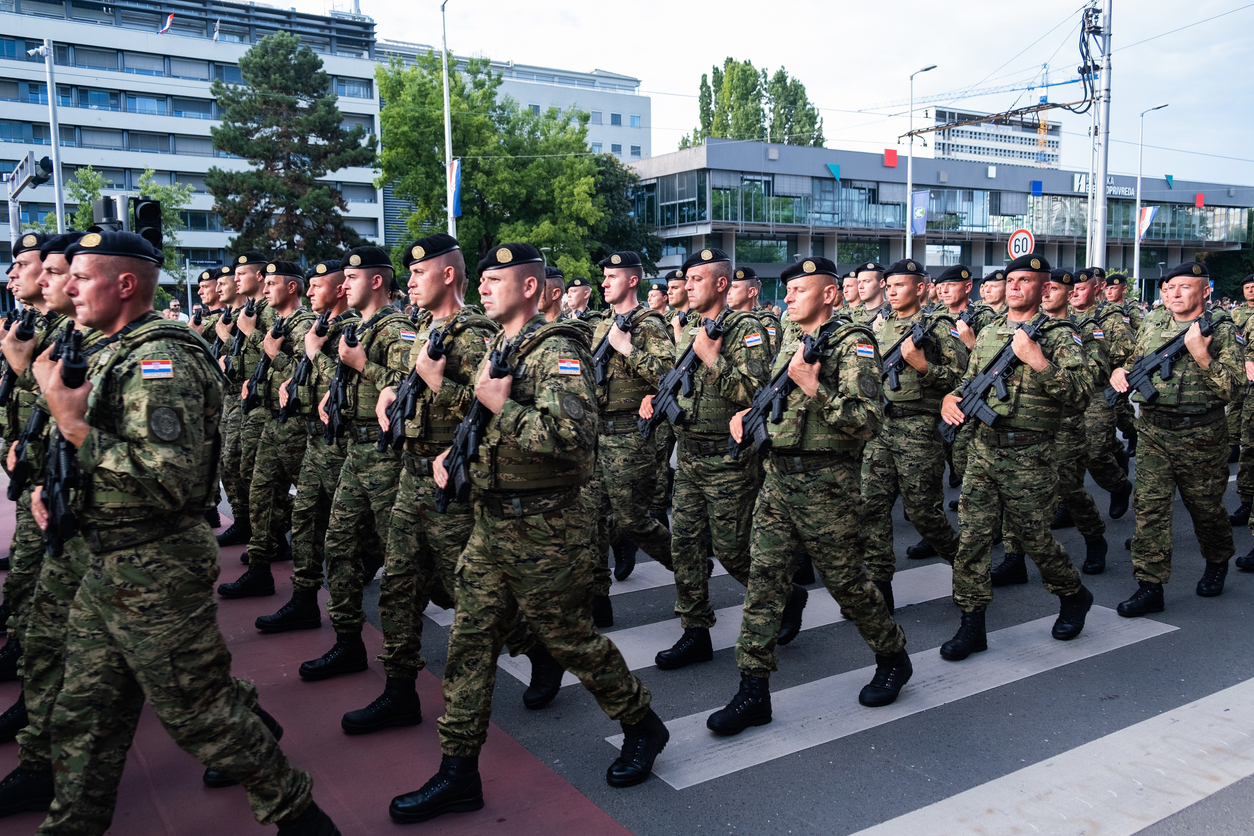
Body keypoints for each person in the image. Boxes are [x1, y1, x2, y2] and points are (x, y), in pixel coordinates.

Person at [26, 231, 339, 835]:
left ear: (124, 284)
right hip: (107, 561)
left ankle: (300, 817)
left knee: (201, 716)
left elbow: (167, 478)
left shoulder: (157, 361)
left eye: (81, 277)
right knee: (82, 716)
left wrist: (74, 429)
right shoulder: (111, 349)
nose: (67, 286)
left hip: (156, 565)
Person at [391, 242, 669, 824]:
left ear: (533, 289)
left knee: (569, 639)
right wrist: (455, 451)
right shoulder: (502, 344)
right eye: (484, 279)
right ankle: (458, 772)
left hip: (546, 526)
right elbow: (486, 420)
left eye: (498, 280)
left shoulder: (559, 351)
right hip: (494, 522)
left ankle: (642, 724)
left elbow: (572, 438)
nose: (485, 288)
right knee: (469, 641)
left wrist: (500, 405)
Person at [354, 234, 551, 731]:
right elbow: (414, 381)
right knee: (399, 586)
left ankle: (540, 650)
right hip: (411, 476)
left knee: (470, 597)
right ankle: (399, 690)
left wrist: (437, 383)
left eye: (419, 273)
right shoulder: (425, 328)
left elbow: (487, 406)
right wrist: (389, 391)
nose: (411, 282)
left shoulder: (474, 334)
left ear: (446, 275)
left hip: (453, 484)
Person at [709, 256, 911, 735]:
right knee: (764, 583)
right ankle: (752, 690)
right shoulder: (790, 342)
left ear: (830, 294)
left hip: (828, 484)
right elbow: (775, 400)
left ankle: (893, 655)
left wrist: (814, 387)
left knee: (847, 584)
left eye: (801, 289)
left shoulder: (854, 344)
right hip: (779, 479)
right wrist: (747, 415)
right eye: (789, 290)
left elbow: (867, 420)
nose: (791, 297)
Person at [939, 254, 1094, 660]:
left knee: (1035, 539)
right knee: (971, 541)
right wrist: (949, 399)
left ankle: (1073, 595)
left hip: (1031, 455)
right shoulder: (989, 331)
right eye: (1011, 279)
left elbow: (1080, 395)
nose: (1014, 285)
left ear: (1044, 289)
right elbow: (968, 382)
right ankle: (972, 625)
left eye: (1026, 280)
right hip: (983, 451)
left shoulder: (1060, 335)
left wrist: (1037, 360)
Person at [641, 247, 776, 670]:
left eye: (695, 280)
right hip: (691, 459)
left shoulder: (747, 328)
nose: (685, 286)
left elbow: (758, 396)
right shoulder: (694, 328)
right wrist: (655, 394)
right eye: (685, 280)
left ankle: (786, 596)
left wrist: (713, 357)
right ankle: (695, 630)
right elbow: (683, 383)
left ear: (721, 283)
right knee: (685, 548)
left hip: (728, 459)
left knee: (734, 551)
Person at [300, 247, 412, 681]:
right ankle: (348, 642)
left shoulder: (396, 328)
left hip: (385, 457)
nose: (343, 285)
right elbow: (345, 378)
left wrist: (353, 363)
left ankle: (534, 645)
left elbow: (411, 385)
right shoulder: (357, 326)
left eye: (351, 277)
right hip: (354, 451)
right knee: (340, 547)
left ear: (377, 281)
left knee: (417, 572)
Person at [1111, 262, 1243, 615]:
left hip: (1201, 433)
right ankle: (1150, 586)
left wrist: (1202, 355)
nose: (1174, 293)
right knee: (1150, 509)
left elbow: (1233, 388)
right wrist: (1120, 372)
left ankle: (1217, 560)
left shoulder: (1222, 329)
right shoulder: (1154, 322)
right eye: (1169, 288)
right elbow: (1134, 359)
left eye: (1185, 287)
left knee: (1205, 509)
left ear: (1204, 291)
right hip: (1153, 430)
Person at [257, 260, 361, 632]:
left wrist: (314, 354)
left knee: (350, 537)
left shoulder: (352, 330)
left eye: (319, 286)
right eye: (310, 285)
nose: (311, 291)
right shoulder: (322, 327)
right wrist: (292, 380)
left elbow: (351, 385)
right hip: (315, 441)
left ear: (339, 291)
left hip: (341, 444)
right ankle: (304, 600)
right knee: (305, 520)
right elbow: (309, 381)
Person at [581, 251, 675, 627]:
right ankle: (597, 602)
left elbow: (668, 375)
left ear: (632, 280)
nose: (604, 283)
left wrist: (627, 348)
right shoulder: (603, 323)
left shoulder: (648, 324)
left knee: (633, 520)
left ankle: (688, 565)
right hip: (597, 438)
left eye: (612, 277)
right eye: (603, 276)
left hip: (629, 440)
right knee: (590, 522)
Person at [996, 269, 1108, 584]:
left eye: (1055, 288)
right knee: (1011, 491)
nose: (1047, 294)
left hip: (1067, 422)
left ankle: (1094, 537)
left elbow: (1097, 374)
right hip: (1025, 423)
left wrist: (1042, 360)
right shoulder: (1024, 327)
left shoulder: (1082, 329)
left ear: (1068, 293)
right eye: (1046, 288)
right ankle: (1013, 557)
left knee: (1069, 489)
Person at [861, 260, 965, 597]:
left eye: (899, 285)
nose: (890, 291)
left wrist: (924, 367)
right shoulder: (880, 326)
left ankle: (967, 567)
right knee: (871, 508)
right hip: (881, 428)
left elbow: (963, 381)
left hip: (917, 429)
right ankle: (880, 584)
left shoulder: (939, 326)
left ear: (921, 288)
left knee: (923, 514)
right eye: (888, 286)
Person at [217, 263, 317, 598]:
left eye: (273, 283)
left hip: (295, 424)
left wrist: (255, 337)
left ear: (291, 288)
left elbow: (311, 374)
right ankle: (261, 568)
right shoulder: (278, 322)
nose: (266, 287)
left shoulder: (303, 324)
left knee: (312, 502)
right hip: (270, 417)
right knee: (258, 489)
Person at [214, 253, 270, 548]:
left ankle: (266, 533)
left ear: (258, 276)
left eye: (241, 274)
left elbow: (271, 356)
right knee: (233, 466)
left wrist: (232, 337)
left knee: (251, 472)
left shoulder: (269, 313)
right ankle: (247, 524)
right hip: (238, 400)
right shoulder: (244, 313)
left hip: (259, 403)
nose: (236, 281)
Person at [1228, 273, 1254, 525]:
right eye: (1247, 287)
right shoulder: (1237, 315)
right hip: (1246, 379)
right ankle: (1246, 503)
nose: (1250, 291)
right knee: (1251, 448)